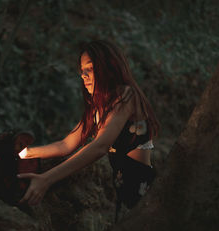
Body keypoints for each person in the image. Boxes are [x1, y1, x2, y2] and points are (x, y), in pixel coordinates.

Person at [18, 40, 160, 221]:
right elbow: (65, 145)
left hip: (143, 190)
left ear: (109, 67)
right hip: (122, 192)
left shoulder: (126, 95)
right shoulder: (97, 108)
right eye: (82, 71)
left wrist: (46, 179)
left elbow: (100, 146)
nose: (84, 76)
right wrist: (25, 153)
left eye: (90, 69)